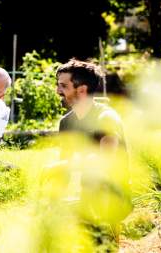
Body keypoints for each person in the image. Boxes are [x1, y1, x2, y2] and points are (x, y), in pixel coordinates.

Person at [55, 58, 132, 244]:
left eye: (63, 86)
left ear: (81, 90)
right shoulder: (66, 122)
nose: (58, 91)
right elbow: (65, 167)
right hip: (84, 191)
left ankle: (107, 240)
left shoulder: (106, 116)